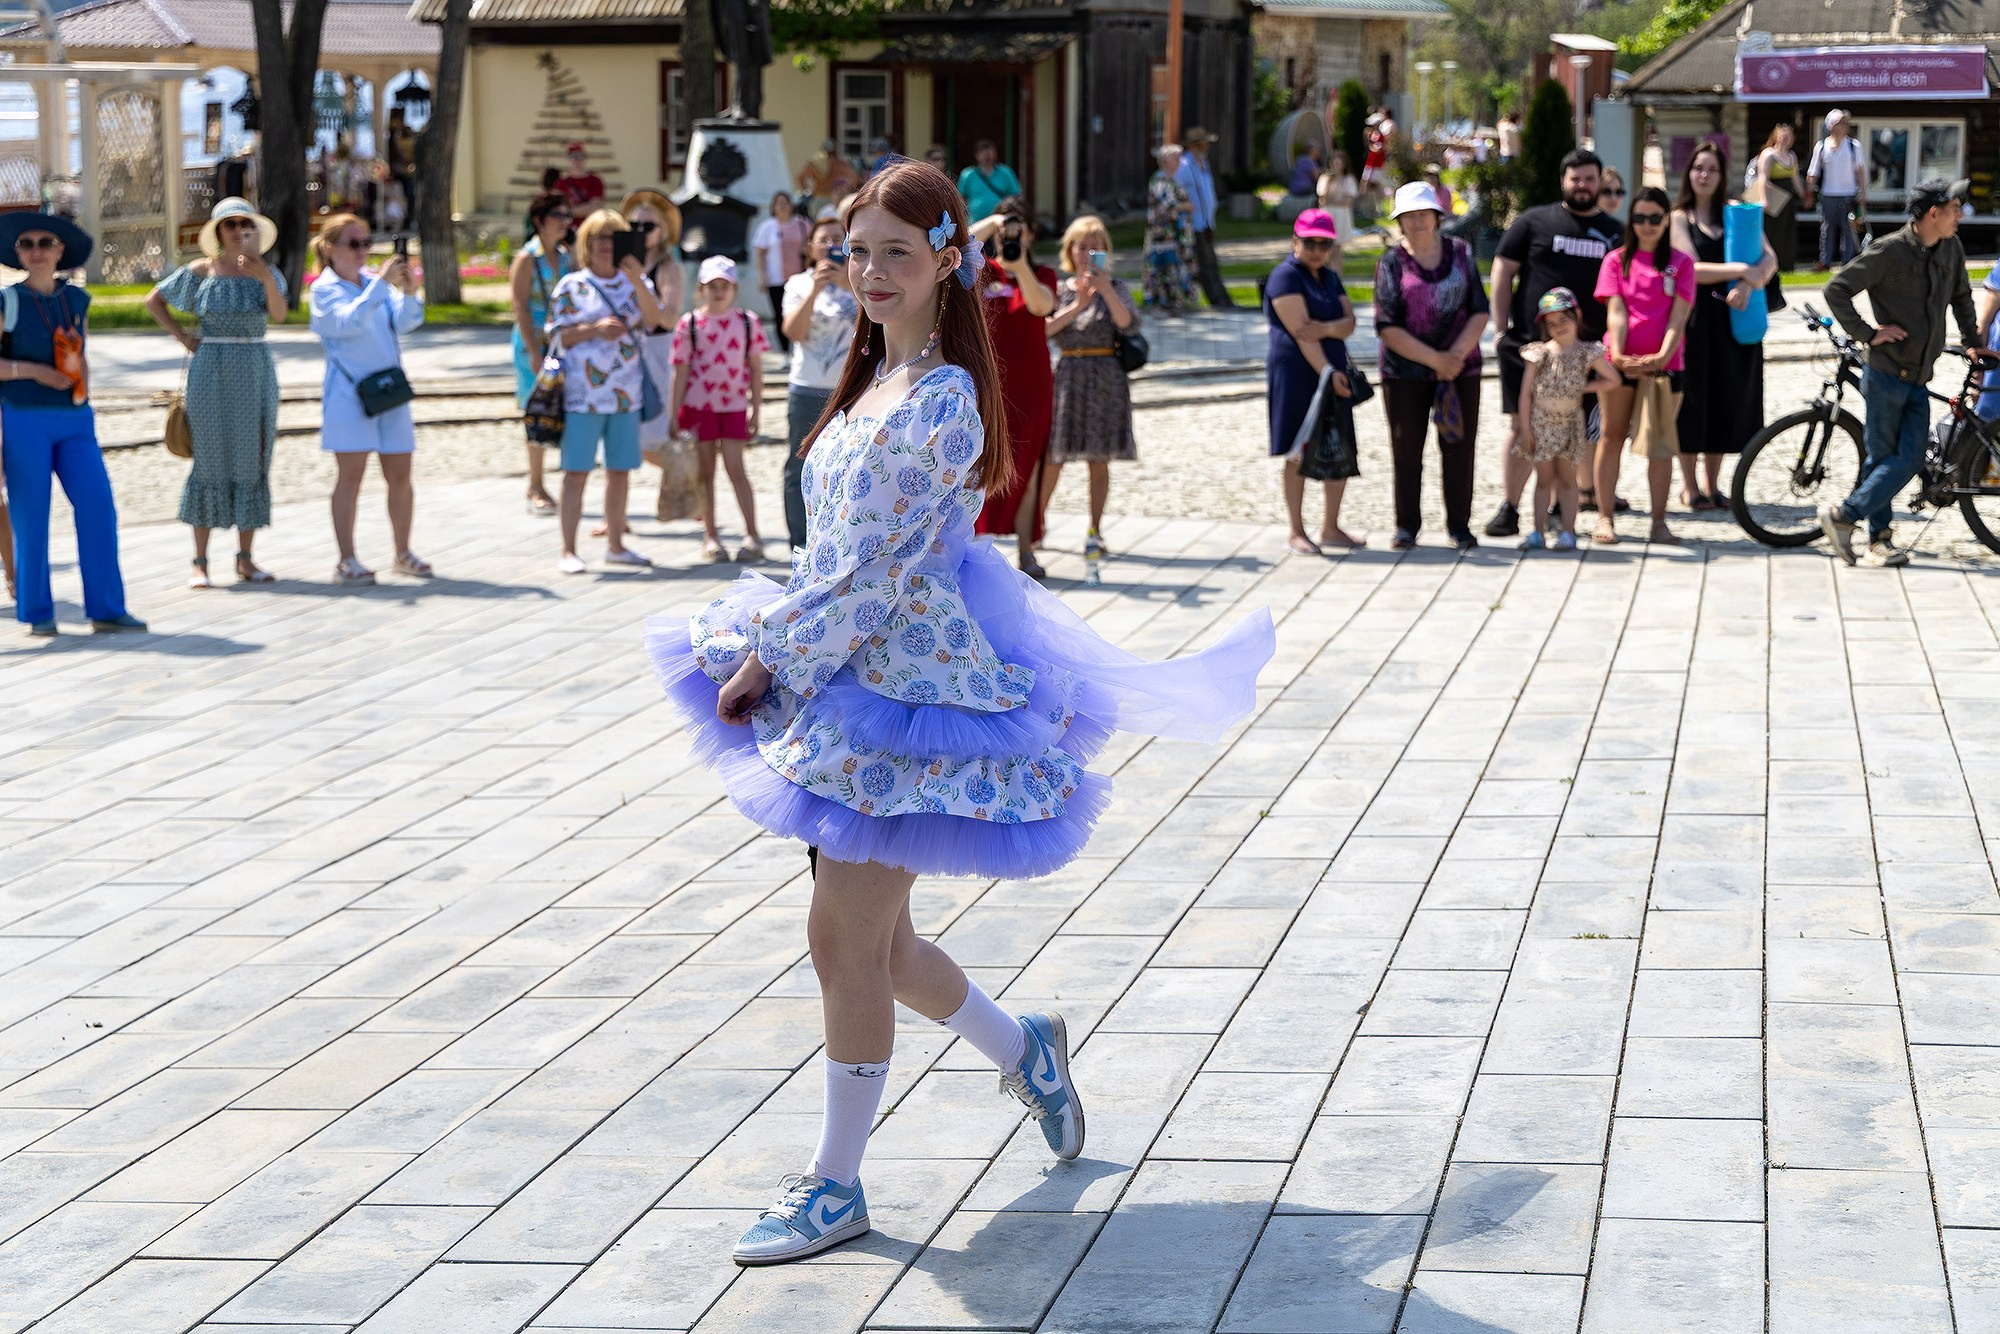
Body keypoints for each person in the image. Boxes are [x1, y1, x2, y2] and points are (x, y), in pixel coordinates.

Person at [642, 159, 1275, 1269]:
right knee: (879, 944)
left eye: (898, 251)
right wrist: (781, 644)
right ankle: (1021, 1044)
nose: (872, 272)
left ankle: (835, 1183)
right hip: (841, 669)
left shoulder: (940, 398)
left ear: (946, 258)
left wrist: (766, 654)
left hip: (904, 694)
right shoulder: (868, 381)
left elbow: (876, 569)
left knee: (840, 934)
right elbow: (834, 553)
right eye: (858, 251)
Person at [1821, 177, 1990, 567]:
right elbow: (1837, 289)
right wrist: (1867, 333)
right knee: (1886, 457)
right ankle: (1877, 539)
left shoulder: (1951, 248)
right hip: (1884, 375)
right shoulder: (1888, 252)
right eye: (1954, 208)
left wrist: (1971, 339)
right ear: (1934, 213)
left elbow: (1963, 297)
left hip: (1918, 377)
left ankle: (1846, 519)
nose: (1960, 215)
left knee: (1900, 458)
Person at [0, 211, 144, 637]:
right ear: (18, 253)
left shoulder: (77, 300)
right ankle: (38, 611)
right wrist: (34, 372)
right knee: (32, 517)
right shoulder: (7, 301)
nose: (37, 251)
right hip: (24, 418)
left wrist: (85, 393)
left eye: (46, 243)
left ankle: (107, 608)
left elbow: (80, 353)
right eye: (27, 244)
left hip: (76, 420)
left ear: (61, 251)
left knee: (99, 506)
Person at [144, 196, 287, 588]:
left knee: (253, 458)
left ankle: (245, 558)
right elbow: (153, 299)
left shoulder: (267, 273)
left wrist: (262, 277)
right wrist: (181, 336)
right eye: (230, 225)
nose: (239, 231)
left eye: (246, 224)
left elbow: (279, 314)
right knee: (208, 460)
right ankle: (200, 562)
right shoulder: (202, 270)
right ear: (218, 232)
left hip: (255, 366)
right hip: (210, 369)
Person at [1482, 150, 1623, 538]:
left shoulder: (1614, 231)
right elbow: (1502, 268)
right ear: (1563, 181)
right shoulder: (1533, 221)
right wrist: (1500, 326)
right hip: (1530, 348)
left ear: (1600, 182)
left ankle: (1565, 507)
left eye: (1590, 179)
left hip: (1584, 353)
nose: (1583, 186)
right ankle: (1510, 508)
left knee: (1572, 428)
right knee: (1521, 424)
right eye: (1575, 179)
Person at [548, 207, 672, 573]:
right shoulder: (572, 286)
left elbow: (655, 320)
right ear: (586, 243)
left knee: (619, 470)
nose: (605, 245)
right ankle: (568, 550)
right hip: (581, 396)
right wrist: (594, 330)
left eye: (613, 238)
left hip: (625, 392)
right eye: (598, 238)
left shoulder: (637, 281)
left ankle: (616, 544)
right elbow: (556, 336)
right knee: (576, 471)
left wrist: (637, 281)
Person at [310, 213, 429, 585]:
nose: (362, 251)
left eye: (365, 242)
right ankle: (346, 559)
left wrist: (408, 291)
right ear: (330, 249)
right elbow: (347, 323)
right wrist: (380, 286)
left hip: (389, 393)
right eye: (353, 243)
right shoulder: (324, 290)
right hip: (349, 396)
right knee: (350, 478)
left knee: (401, 475)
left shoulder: (371, 285)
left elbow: (406, 322)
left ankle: (402, 552)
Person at [1374, 181, 1490, 550]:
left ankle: (1460, 525)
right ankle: (1406, 525)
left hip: (1460, 368)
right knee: (1406, 449)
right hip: (1405, 371)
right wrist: (1434, 360)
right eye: (1409, 216)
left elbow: (1479, 309)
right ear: (1400, 221)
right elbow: (1386, 325)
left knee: (1459, 446)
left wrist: (1453, 357)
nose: (1417, 222)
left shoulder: (1461, 252)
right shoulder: (1391, 262)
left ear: (1437, 218)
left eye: (1423, 214)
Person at [1673, 142, 1777, 511]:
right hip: (1694, 320)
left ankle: (1712, 485)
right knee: (1692, 400)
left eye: (1711, 169)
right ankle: (1689, 487)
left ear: (1721, 176)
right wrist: (1740, 271)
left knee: (1723, 398)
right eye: (1698, 168)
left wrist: (1750, 283)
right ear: (1689, 174)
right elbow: (1690, 268)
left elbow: (1770, 258)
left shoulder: (1736, 214)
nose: (1704, 175)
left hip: (1734, 320)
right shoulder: (1679, 218)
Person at [1593, 186, 1695, 545]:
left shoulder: (1681, 263)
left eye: (1655, 218)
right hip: (1619, 363)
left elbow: (1678, 317)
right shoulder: (1615, 261)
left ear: (1666, 219)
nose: (1647, 225)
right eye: (1640, 218)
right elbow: (1616, 311)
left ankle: (1658, 522)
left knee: (1660, 444)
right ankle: (1605, 517)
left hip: (1665, 366)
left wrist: (1661, 357)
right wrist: (1619, 355)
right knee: (1611, 436)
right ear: (1630, 220)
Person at [1042, 215, 1139, 559]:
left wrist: (1105, 289)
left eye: (1095, 247)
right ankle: (1037, 525)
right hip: (1067, 375)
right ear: (1070, 250)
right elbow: (1043, 330)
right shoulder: (1058, 288)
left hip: (1104, 378)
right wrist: (1078, 306)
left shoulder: (1116, 287)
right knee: (1053, 458)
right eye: (1082, 246)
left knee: (1098, 460)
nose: (1088, 253)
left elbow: (1127, 324)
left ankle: (1095, 529)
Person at [970, 199, 1057, 576]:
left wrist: (1020, 265)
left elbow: (1041, 306)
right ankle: (968, 546)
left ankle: (1026, 550)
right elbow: (958, 246)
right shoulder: (981, 272)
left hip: (1032, 384)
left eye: (1022, 229)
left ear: (1032, 234)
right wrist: (993, 221)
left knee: (1028, 468)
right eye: (1009, 230)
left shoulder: (1043, 274)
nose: (1013, 235)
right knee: (975, 463)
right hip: (988, 383)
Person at [1266, 209, 1361, 554]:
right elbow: (1301, 333)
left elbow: (1350, 323)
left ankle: (1331, 527)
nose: (1317, 249)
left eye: (1324, 243)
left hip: (1331, 372)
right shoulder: (1285, 277)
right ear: (1296, 241)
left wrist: (1326, 328)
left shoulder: (1330, 277)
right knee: (1297, 451)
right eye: (1310, 242)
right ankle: (1295, 530)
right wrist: (1328, 372)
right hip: (1298, 374)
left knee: (1338, 445)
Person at [670, 255, 772, 563]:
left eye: (724, 285)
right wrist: (674, 413)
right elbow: (681, 370)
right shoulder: (689, 323)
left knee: (736, 469)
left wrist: (756, 409)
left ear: (734, 288)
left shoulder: (747, 322)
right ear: (701, 288)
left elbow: (755, 369)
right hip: (699, 406)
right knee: (706, 473)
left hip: (733, 405)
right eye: (712, 286)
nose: (718, 291)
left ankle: (752, 534)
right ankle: (711, 535)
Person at [1515, 288, 1620, 552]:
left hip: (1570, 422)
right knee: (1543, 480)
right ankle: (1537, 531)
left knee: (1568, 480)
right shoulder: (1539, 353)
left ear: (1577, 316)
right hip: (1542, 424)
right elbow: (1525, 393)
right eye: (1552, 323)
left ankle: (1568, 532)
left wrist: (1583, 387)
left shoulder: (1587, 352)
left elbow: (1613, 380)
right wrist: (1525, 429)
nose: (1558, 327)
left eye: (1564, 320)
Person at [780, 216, 857, 552]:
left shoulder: (859, 282)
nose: (829, 245)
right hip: (806, 388)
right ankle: (800, 543)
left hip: (848, 390)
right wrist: (815, 288)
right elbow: (793, 332)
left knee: (846, 466)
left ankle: (839, 539)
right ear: (810, 247)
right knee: (799, 465)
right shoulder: (796, 284)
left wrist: (846, 286)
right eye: (822, 239)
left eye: (837, 239)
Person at [622, 189, 690, 523]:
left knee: (654, 436)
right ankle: (614, 515)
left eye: (648, 226)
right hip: (622, 354)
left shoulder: (667, 266)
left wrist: (639, 283)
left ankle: (689, 479)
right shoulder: (618, 262)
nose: (640, 232)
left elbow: (665, 317)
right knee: (620, 435)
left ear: (662, 231)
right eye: (633, 225)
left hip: (657, 352)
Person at [510, 193, 572, 517]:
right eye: (557, 215)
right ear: (540, 220)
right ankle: (535, 483)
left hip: (558, 342)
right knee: (536, 407)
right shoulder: (526, 257)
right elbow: (519, 305)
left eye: (567, 215)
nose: (565, 221)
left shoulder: (564, 256)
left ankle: (550, 482)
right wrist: (533, 350)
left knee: (557, 406)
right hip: (531, 341)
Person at [1176, 128, 1233, 307]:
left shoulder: (1204, 164)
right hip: (1194, 223)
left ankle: (1222, 298)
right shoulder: (1184, 165)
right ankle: (1217, 299)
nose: (1206, 147)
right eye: (1202, 144)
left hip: (1207, 222)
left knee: (1212, 262)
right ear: (1194, 146)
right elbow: (1177, 190)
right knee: (1204, 263)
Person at [1807, 110, 1866, 271]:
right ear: (1832, 125)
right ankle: (1825, 261)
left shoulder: (1854, 146)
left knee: (1848, 228)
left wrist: (1863, 191)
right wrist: (1809, 193)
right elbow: (1813, 172)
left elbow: (1859, 169)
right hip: (1828, 194)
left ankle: (1847, 262)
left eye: (1846, 122)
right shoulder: (1821, 146)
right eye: (1842, 122)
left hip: (1849, 193)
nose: (1846, 126)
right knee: (1827, 229)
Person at [752, 192, 811, 354]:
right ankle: (785, 351)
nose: (783, 206)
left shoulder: (802, 224)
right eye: (779, 203)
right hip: (776, 279)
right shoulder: (767, 227)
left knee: (802, 314)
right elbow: (759, 253)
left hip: (800, 278)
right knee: (780, 315)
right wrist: (762, 276)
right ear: (774, 207)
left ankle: (799, 349)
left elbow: (811, 247)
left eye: (785, 202)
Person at [1145, 144, 1198, 316]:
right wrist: (1185, 206)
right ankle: (1163, 302)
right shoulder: (1160, 181)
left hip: (1175, 236)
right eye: (1177, 158)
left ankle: (1174, 302)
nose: (1180, 162)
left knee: (1174, 267)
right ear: (1167, 160)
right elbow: (1167, 208)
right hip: (1165, 236)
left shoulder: (1171, 180)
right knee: (1164, 267)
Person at [1751, 123, 1807, 273]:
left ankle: (1786, 265)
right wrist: (1764, 200)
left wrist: (1804, 196)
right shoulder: (1768, 154)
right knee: (1772, 233)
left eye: (1788, 137)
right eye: (1783, 136)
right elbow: (1763, 179)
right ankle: (1769, 264)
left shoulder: (1792, 156)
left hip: (1787, 199)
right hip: (1772, 198)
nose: (1785, 140)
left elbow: (1795, 179)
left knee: (1787, 232)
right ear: (1776, 137)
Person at [956, 140, 1022, 225]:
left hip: (1000, 223)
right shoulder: (968, 174)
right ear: (976, 155)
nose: (987, 156)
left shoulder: (1005, 172)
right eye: (983, 153)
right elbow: (960, 198)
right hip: (975, 223)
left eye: (990, 152)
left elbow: (1015, 196)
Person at [797, 141, 861, 215]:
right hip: (835, 198)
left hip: (818, 197)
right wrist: (847, 191)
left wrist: (807, 192)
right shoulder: (839, 164)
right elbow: (855, 178)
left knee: (819, 223)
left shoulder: (814, 164)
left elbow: (800, 177)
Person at [1317, 150, 1359, 247]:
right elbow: (1323, 199)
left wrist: (1334, 201)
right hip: (1328, 214)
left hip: (1341, 215)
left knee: (1337, 247)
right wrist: (1329, 183)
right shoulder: (1325, 178)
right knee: (1327, 245)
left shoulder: (1348, 179)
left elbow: (1347, 201)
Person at [555, 142, 606, 216]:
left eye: (579, 155)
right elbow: (561, 208)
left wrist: (573, 210)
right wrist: (586, 208)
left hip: (591, 225)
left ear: (585, 157)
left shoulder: (595, 181)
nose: (576, 159)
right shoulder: (561, 183)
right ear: (567, 158)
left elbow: (596, 206)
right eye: (572, 156)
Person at [1361, 112, 1389, 198]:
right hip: (1371, 163)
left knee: (1376, 185)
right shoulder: (1374, 134)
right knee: (1365, 182)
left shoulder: (1380, 136)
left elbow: (1378, 149)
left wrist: (1370, 145)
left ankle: (1379, 205)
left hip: (1377, 164)